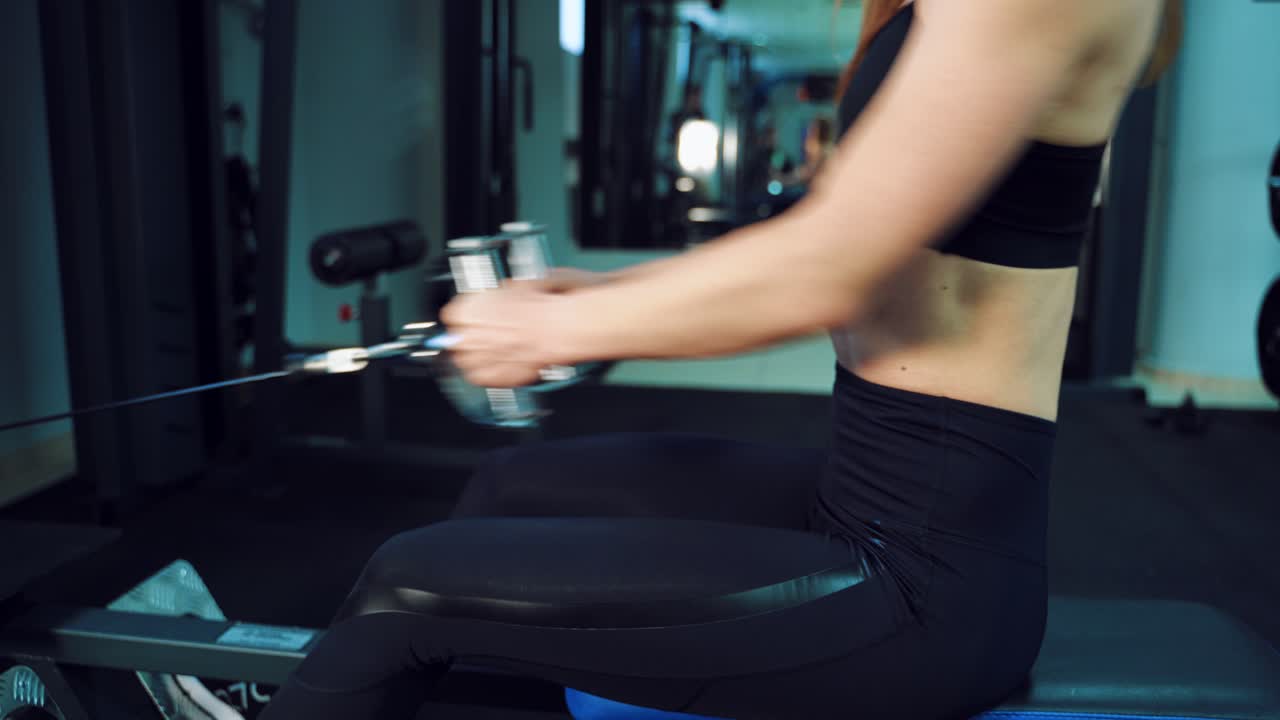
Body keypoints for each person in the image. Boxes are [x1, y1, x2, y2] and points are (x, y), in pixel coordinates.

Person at [260, 1, 1183, 718]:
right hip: (858, 495)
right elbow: (854, 229)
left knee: (403, 587)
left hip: (924, 584)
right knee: (512, 492)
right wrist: (602, 290)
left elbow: (830, 272)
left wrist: (547, 333)